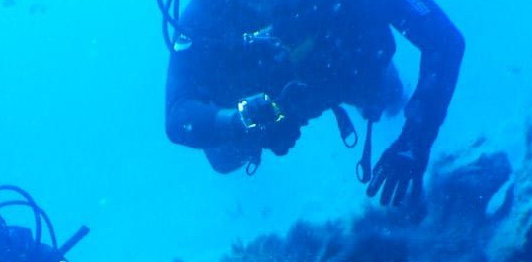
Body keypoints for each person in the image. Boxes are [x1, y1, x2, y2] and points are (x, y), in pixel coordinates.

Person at [163, 0, 464, 208]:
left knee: (384, 91)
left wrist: (415, 140)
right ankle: (256, 191)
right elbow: (178, 115)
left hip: (343, 69)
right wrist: (238, 120)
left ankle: (383, 91)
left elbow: (445, 40)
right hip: (267, 105)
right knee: (224, 158)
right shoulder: (204, 17)